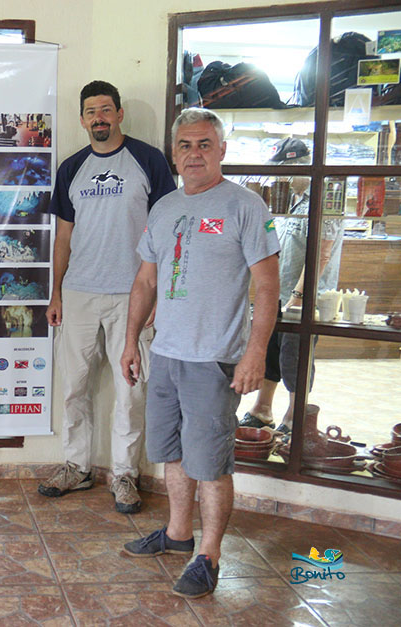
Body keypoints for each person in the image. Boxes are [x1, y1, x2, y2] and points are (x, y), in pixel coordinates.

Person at [120, 107, 280, 598]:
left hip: (215, 358)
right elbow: (146, 278)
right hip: (166, 351)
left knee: (210, 461)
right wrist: (130, 341)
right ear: (174, 152)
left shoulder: (244, 206)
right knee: (171, 453)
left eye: (204, 144)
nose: (194, 153)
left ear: (222, 150)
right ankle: (176, 534)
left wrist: (256, 353)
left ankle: (208, 555)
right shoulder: (164, 208)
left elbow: (268, 286)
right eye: (185, 145)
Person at [37, 81, 175, 513]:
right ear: (82, 119)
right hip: (78, 293)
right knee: (73, 388)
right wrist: (56, 291)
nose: (99, 117)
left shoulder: (149, 161)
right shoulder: (70, 168)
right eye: (91, 111)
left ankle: (125, 476)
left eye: (106, 109)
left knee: (129, 390)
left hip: (132, 294)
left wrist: (157, 296)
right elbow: (63, 236)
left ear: (118, 114)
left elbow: (167, 229)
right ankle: (76, 468)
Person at [238, 138, 344, 438]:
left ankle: (296, 416)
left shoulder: (322, 198)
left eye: (285, 169)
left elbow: (321, 254)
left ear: (299, 166)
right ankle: (263, 409)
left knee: (294, 357)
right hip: (279, 292)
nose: (279, 176)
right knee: (271, 349)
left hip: (304, 296)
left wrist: (299, 296)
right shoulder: (286, 199)